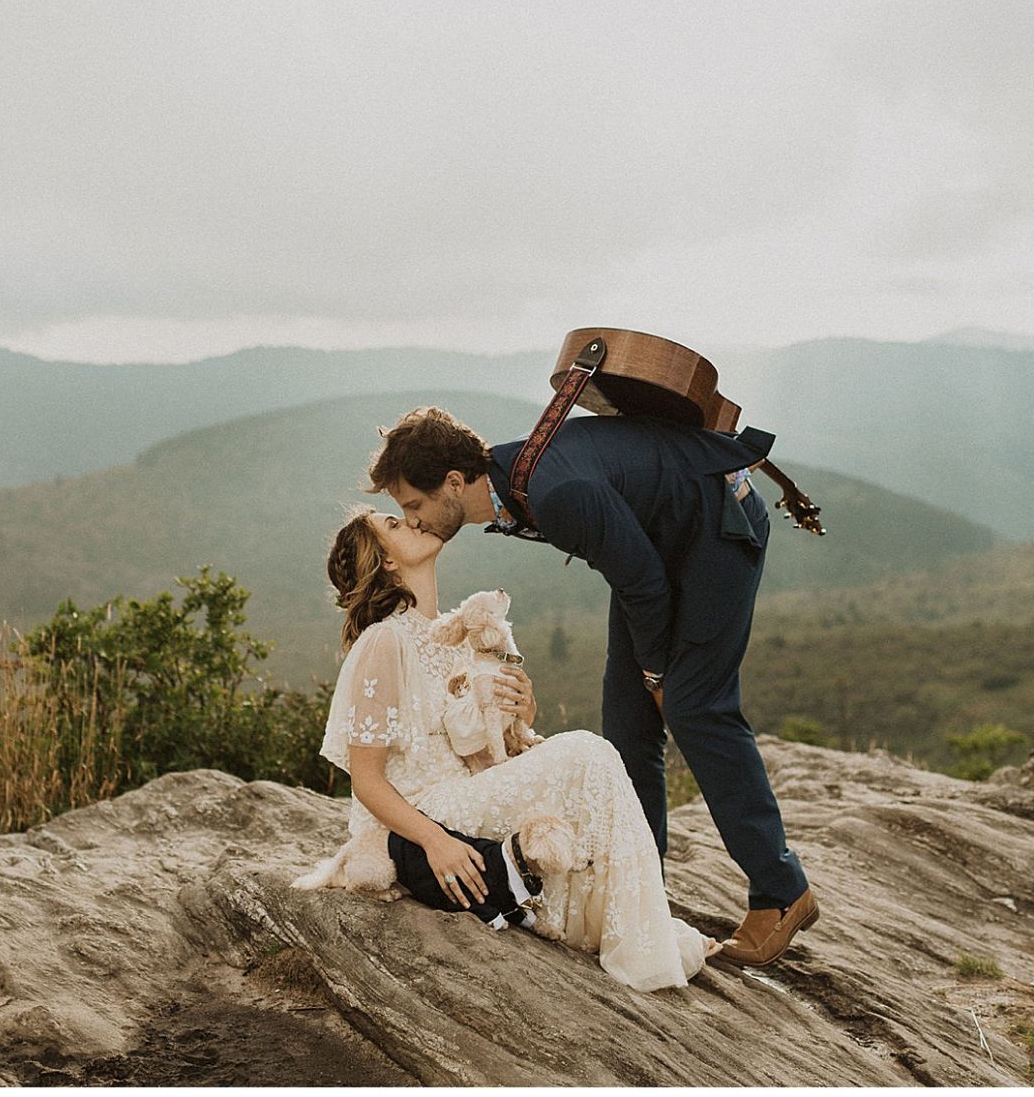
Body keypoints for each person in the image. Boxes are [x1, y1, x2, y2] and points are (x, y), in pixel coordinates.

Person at [367, 406, 817, 967]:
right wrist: (647, 675)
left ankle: (781, 892)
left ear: (454, 483)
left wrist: (657, 672)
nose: (412, 521)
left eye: (414, 505)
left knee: (695, 707)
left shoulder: (556, 492)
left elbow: (647, 585)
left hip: (714, 529)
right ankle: (637, 896)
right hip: (658, 546)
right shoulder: (515, 481)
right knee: (627, 722)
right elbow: (638, 574)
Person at [311, 506, 717, 990]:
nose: (412, 519)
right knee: (590, 753)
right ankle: (643, 944)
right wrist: (436, 842)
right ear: (387, 563)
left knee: (586, 775)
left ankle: (635, 926)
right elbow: (367, 782)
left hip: (472, 793)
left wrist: (523, 712)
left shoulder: (457, 634)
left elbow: (483, 738)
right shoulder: (384, 641)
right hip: (425, 812)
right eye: (394, 525)